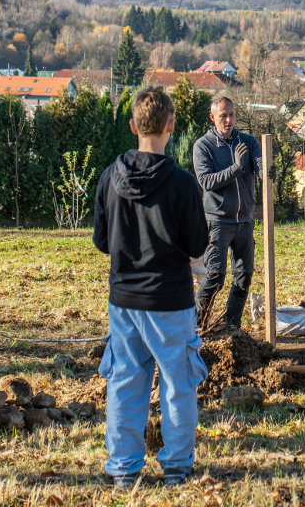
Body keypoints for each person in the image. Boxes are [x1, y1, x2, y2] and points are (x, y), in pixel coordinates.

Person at [93, 87, 210, 487]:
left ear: (133, 126)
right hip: (171, 302)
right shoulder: (183, 184)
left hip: (124, 300)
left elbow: (102, 240)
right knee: (178, 386)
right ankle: (176, 467)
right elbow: (197, 245)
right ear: (171, 126)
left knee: (125, 384)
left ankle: (124, 470)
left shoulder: (109, 178)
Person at [192, 96, 263, 330]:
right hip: (218, 221)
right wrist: (235, 169)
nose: (229, 120)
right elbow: (206, 181)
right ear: (212, 117)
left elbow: (259, 163)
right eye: (223, 116)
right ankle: (196, 326)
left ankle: (231, 325)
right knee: (215, 276)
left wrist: (266, 169)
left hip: (245, 221)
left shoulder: (248, 141)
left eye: (232, 115)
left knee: (244, 276)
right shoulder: (203, 146)